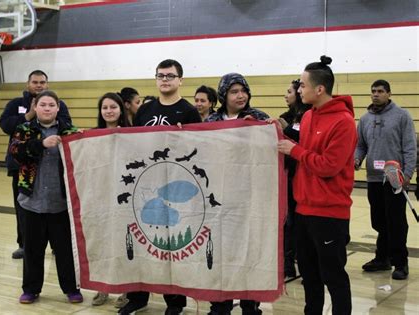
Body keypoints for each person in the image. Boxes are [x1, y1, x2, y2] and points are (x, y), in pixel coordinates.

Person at [119, 59, 202, 315]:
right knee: (143, 242)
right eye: (161, 75)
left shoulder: (188, 111)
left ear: (180, 80)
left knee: (170, 246)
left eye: (170, 75)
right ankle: (138, 296)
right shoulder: (145, 110)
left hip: (174, 189)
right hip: (145, 185)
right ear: (156, 79)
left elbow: (197, 151)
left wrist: (184, 138)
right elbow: (134, 146)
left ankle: (175, 302)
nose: (165, 79)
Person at [277, 56, 356, 315]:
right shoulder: (308, 116)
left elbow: (328, 166)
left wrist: (295, 150)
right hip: (303, 210)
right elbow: (302, 149)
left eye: (302, 85)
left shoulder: (343, 122)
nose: (299, 89)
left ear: (319, 89)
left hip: (329, 213)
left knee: (333, 277)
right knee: (309, 276)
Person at [9, 90, 82, 304]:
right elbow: (15, 152)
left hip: (61, 203)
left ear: (58, 108)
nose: (47, 108)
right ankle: (31, 289)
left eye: (52, 105)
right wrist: (41, 144)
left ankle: (71, 288)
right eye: (43, 105)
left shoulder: (70, 131)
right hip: (32, 202)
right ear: (35, 107)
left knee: (65, 250)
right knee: (32, 250)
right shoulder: (24, 129)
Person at [206, 72, 268, 315]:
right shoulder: (211, 120)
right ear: (223, 95)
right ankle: (219, 304)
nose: (240, 95)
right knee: (220, 254)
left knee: (248, 252)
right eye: (234, 91)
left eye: (243, 90)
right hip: (219, 199)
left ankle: (249, 304)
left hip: (249, 199)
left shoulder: (258, 117)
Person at [0, 70, 71, 259]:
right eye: (35, 82)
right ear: (28, 83)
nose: (39, 85)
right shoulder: (16, 104)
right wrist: (30, 114)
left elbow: (67, 125)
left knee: (59, 206)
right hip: (23, 166)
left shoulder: (58, 104)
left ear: (47, 84)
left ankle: (58, 244)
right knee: (23, 207)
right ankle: (24, 244)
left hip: (55, 165)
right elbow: (6, 125)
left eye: (42, 82)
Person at [355, 79, 416, 280]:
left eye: (380, 91)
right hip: (373, 178)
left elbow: (409, 147)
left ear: (389, 94)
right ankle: (382, 259)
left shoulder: (402, 116)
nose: (376, 94)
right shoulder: (364, 119)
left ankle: (401, 263)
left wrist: (407, 175)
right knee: (379, 222)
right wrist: (357, 158)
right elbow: (361, 145)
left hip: (394, 179)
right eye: (373, 91)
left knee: (396, 222)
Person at [92, 92, 129, 307]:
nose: (108, 111)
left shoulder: (132, 134)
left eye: (113, 107)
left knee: (123, 243)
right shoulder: (92, 136)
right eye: (104, 107)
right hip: (100, 196)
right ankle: (102, 287)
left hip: (124, 197)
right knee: (103, 242)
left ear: (120, 110)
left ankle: (125, 291)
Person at [277, 79, 312, 279]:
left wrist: (286, 129)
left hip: (304, 176)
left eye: (291, 90)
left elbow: (301, 141)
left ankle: (302, 261)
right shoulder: (288, 116)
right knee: (287, 222)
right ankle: (287, 263)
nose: (287, 94)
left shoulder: (309, 115)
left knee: (299, 223)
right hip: (288, 177)